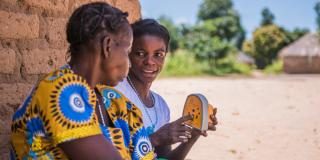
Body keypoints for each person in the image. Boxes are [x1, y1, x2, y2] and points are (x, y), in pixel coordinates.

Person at [10, 2, 155, 160]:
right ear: (107, 46)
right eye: (127, 51)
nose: (130, 63)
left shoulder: (119, 104)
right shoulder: (58, 90)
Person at [116, 19, 218, 159]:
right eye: (140, 53)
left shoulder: (161, 106)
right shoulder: (116, 94)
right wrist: (155, 138)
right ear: (128, 54)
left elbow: (164, 158)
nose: (150, 61)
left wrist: (193, 135)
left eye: (158, 54)